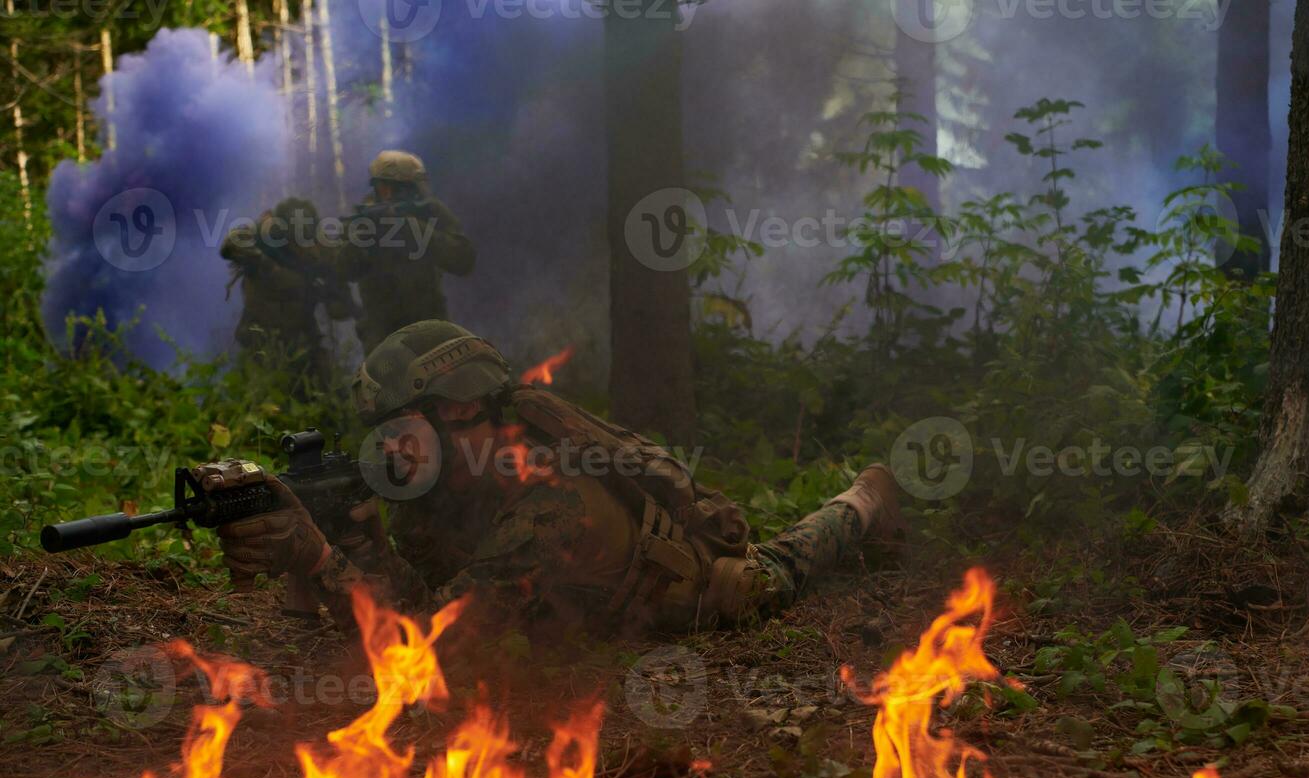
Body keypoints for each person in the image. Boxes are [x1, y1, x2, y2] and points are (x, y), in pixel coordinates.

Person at [213, 320, 905, 634]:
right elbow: (416, 595)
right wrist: (361, 549)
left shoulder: (550, 504)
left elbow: (427, 649)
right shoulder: (440, 480)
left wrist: (317, 555)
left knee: (773, 573)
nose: (389, 449)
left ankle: (863, 500)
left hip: (679, 589)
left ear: (457, 409)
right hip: (554, 609)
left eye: (400, 427)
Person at [339, 151, 476, 355]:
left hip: (431, 329)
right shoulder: (364, 221)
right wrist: (362, 241)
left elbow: (463, 259)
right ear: (384, 189)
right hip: (383, 336)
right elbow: (344, 269)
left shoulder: (429, 212)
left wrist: (411, 228)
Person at [221, 197, 354, 394]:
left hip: (305, 341)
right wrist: (263, 263)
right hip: (262, 341)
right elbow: (229, 246)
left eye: (308, 239)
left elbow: (340, 309)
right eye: (297, 240)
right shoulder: (265, 241)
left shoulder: (319, 249)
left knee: (329, 397)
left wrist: (334, 288)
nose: (305, 247)